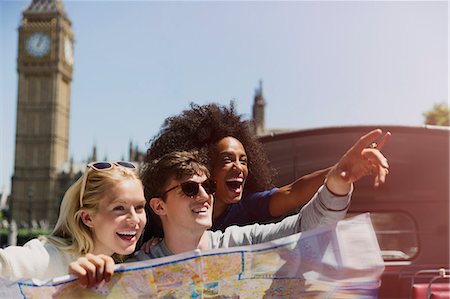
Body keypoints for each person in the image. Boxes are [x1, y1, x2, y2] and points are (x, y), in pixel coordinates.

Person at [71, 129, 389, 283]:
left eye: (208, 186)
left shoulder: (241, 242)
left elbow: (307, 228)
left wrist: (338, 181)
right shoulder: (135, 269)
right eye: (189, 188)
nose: (204, 196)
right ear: (159, 206)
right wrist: (84, 280)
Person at [142, 103, 391, 239]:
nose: (239, 167)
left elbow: (293, 192)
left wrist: (340, 171)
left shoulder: (241, 222)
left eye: (244, 160)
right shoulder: (159, 224)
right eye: (227, 159)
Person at [0, 161, 146, 282]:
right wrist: (67, 283)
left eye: (139, 207)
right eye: (119, 208)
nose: (134, 219)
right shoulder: (49, 258)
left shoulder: (129, 267)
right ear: (87, 218)